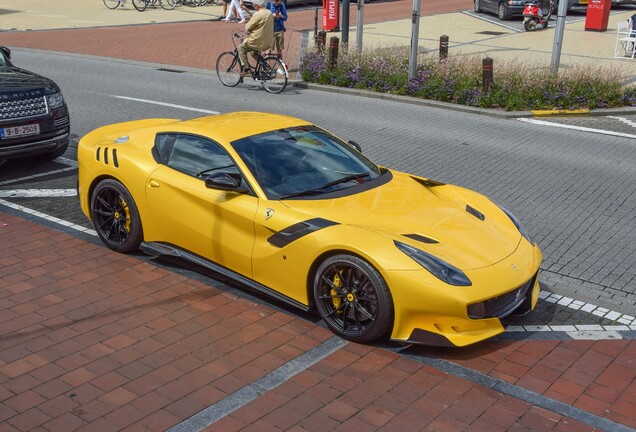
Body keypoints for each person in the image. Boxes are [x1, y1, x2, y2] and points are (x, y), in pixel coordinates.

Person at [237, 0, 273, 76]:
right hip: (268, 41)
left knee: (240, 48)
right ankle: (265, 66)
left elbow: (248, 27)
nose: (253, 7)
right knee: (253, 52)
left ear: (257, 5)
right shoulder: (269, 13)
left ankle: (246, 69)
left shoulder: (258, 14)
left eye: (254, 5)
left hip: (258, 41)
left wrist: (249, 30)